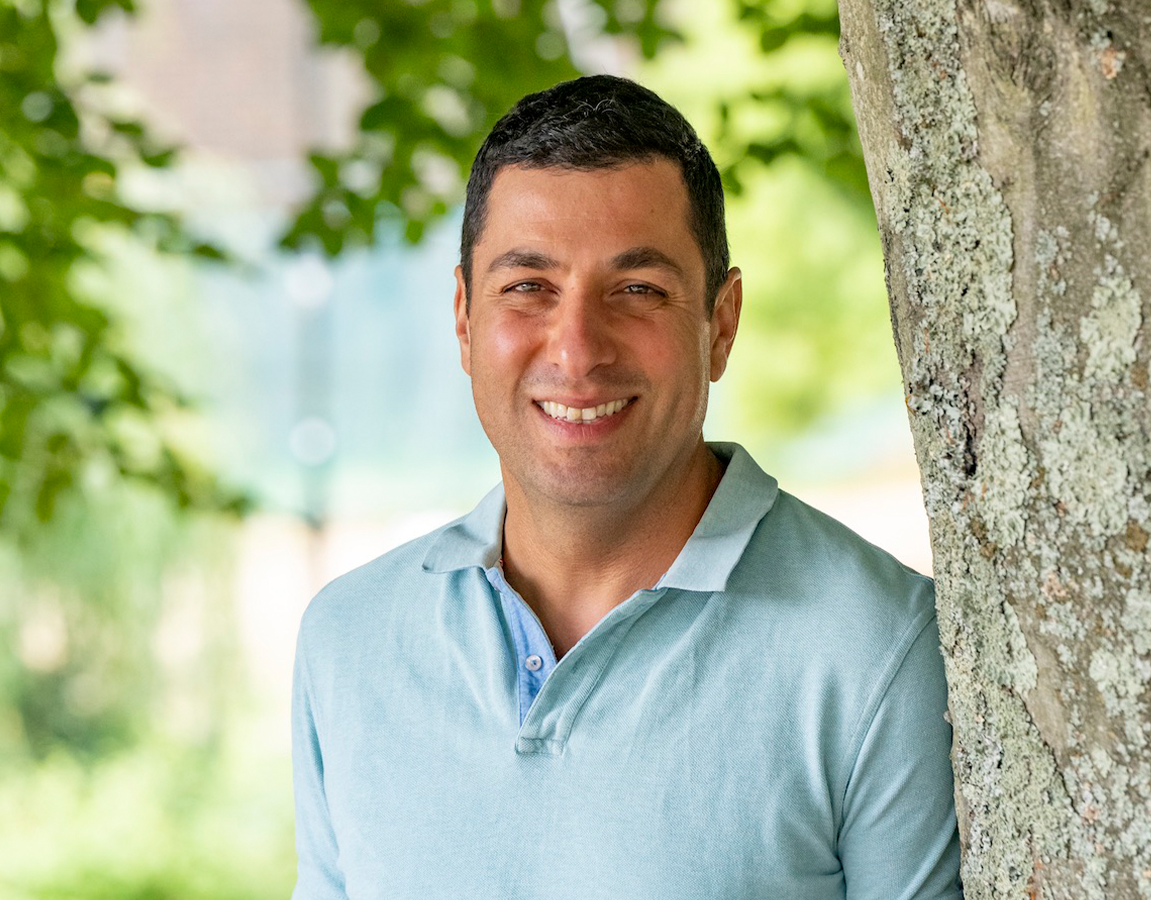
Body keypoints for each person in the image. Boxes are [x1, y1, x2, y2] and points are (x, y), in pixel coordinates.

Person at [290, 74, 962, 900]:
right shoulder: (349, 641)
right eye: (528, 287)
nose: (576, 350)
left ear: (720, 323)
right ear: (465, 320)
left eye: (637, 290)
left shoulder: (877, 649)